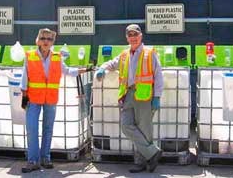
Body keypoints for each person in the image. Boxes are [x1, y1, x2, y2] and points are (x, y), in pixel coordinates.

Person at [95, 24, 164, 173]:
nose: (133, 37)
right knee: (126, 125)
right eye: (130, 35)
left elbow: (158, 75)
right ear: (127, 37)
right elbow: (112, 63)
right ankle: (152, 152)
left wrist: (157, 96)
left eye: (135, 34)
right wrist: (102, 68)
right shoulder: (124, 54)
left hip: (144, 95)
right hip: (128, 95)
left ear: (141, 36)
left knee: (144, 130)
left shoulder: (149, 53)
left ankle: (142, 163)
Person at [20, 28, 86, 173]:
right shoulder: (30, 56)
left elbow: (67, 70)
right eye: (43, 38)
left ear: (53, 42)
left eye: (49, 39)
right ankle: (32, 161)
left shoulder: (57, 57)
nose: (46, 41)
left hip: (50, 98)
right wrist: (24, 96)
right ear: (38, 40)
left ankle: (45, 158)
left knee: (48, 129)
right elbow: (25, 77)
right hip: (33, 98)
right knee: (31, 129)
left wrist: (83, 70)